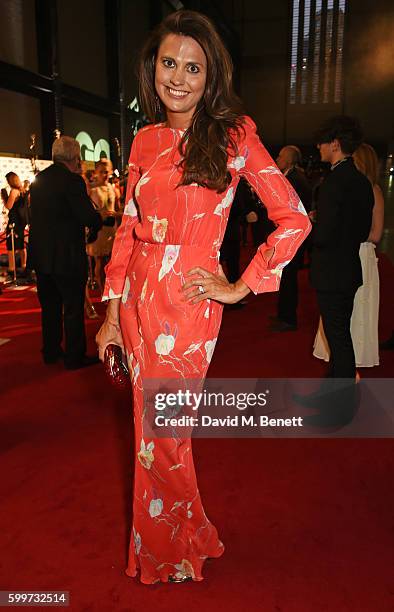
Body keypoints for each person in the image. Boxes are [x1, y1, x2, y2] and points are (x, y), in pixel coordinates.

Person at [96, 9, 311, 585]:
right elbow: (126, 227)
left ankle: (167, 551)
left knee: (162, 431)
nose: (179, 77)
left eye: (194, 67)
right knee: (157, 432)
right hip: (138, 297)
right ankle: (187, 533)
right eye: (170, 62)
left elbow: (293, 217)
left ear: (210, 75)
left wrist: (241, 286)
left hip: (189, 304)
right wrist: (112, 312)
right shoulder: (143, 138)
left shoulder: (236, 133)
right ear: (154, 67)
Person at [297, 116, 374, 425]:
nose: (319, 147)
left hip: (331, 271)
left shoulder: (334, 182)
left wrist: (310, 225)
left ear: (336, 145)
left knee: (339, 340)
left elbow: (326, 235)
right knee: (338, 335)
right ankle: (329, 394)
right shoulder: (360, 181)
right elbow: (360, 229)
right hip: (348, 268)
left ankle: (341, 409)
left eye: (323, 142)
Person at [28, 136, 103, 369]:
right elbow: (87, 216)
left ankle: (51, 351)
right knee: (72, 307)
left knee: (49, 306)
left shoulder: (38, 179)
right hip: (67, 256)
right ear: (74, 157)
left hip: (41, 255)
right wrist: (99, 220)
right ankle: (74, 357)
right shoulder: (73, 181)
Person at [313, 143, 384, 367]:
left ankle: (345, 382)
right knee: (340, 326)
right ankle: (338, 378)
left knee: (348, 324)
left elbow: (375, 234)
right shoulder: (355, 187)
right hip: (350, 255)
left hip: (358, 254)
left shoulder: (370, 189)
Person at [269, 146, 312, 331]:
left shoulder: (295, 180)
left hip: (293, 236)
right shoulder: (291, 176)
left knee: (289, 276)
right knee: (285, 276)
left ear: (289, 160)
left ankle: (288, 318)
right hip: (289, 234)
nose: (277, 159)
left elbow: (294, 210)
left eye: (280, 156)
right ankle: (284, 314)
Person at [86, 161, 118, 294]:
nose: (104, 174)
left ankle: (109, 290)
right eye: (101, 171)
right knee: (99, 261)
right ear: (96, 173)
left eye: (106, 171)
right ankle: (102, 290)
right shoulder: (91, 189)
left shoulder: (112, 188)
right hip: (99, 229)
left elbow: (116, 208)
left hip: (112, 230)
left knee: (111, 263)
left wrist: (117, 214)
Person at [4, 172, 29, 277]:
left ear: (10, 181)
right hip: (21, 221)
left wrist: (4, 197)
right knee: (21, 244)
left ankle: (11, 268)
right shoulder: (22, 190)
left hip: (14, 221)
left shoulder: (14, 191)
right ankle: (24, 266)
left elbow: (9, 206)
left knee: (11, 244)